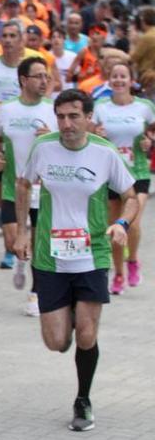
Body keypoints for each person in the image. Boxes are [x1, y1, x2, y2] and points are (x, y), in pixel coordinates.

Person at [13, 89, 138, 432]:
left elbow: (130, 196)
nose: (67, 124)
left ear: (88, 118)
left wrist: (121, 223)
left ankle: (83, 399)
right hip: (50, 257)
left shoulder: (104, 153)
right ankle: (68, 312)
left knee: (86, 335)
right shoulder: (44, 147)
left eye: (74, 116)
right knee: (57, 343)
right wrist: (23, 232)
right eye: (62, 117)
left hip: (93, 253)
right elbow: (23, 185)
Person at [0, 56, 58, 316]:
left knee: (40, 244)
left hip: (43, 190)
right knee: (12, 240)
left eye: (47, 77)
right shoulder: (6, 109)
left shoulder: (53, 110)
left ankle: (36, 292)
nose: (44, 81)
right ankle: (20, 256)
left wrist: (52, 138)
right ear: (23, 80)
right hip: (13, 186)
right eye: (38, 76)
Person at [0, 19, 41, 270]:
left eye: (14, 35)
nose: (9, 40)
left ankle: (9, 248)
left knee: (12, 197)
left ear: (22, 38)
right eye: (5, 35)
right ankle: (9, 221)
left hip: (25, 140)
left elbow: (47, 92)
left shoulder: (33, 65)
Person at [91, 63, 155, 295]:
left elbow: (152, 131)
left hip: (137, 171)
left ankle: (133, 261)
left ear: (131, 81)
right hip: (110, 174)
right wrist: (96, 134)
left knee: (133, 222)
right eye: (114, 76)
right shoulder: (101, 107)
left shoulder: (144, 107)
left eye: (123, 76)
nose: (118, 80)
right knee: (116, 226)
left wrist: (149, 141)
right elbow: (90, 134)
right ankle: (118, 274)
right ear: (109, 81)